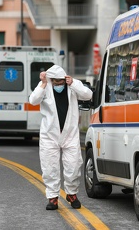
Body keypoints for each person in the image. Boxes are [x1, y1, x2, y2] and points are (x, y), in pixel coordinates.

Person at [29, 65, 92, 210]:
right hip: (49, 135)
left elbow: (88, 95)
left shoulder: (72, 86)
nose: (58, 85)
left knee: (73, 165)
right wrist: (43, 83)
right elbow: (33, 100)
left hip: (70, 135)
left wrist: (74, 83)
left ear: (65, 79)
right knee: (50, 167)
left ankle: (71, 194)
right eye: (55, 82)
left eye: (60, 82)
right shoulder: (45, 86)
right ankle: (53, 198)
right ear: (51, 80)